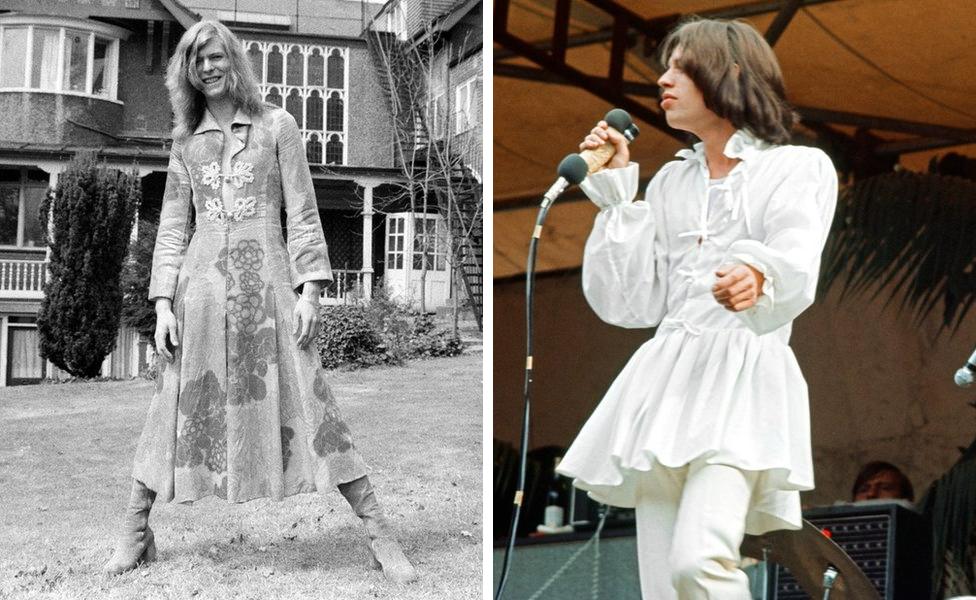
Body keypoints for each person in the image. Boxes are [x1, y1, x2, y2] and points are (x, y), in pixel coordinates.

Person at [102, 20, 416, 584]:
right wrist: (163, 304)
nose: (209, 68)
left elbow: (302, 211)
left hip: (269, 287)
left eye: (217, 57)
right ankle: (134, 530)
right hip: (199, 294)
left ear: (235, 62)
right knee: (170, 403)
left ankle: (378, 532)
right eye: (197, 62)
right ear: (186, 73)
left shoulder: (278, 127)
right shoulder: (183, 141)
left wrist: (311, 290)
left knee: (314, 402)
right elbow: (174, 226)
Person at [555, 18, 838, 600]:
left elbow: (795, 257)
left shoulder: (796, 167)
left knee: (699, 563)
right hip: (666, 387)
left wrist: (756, 275)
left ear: (729, 73)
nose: (663, 79)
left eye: (680, 67)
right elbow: (631, 301)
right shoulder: (670, 184)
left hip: (742, 379)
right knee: (662, 587)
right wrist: (617, 194)